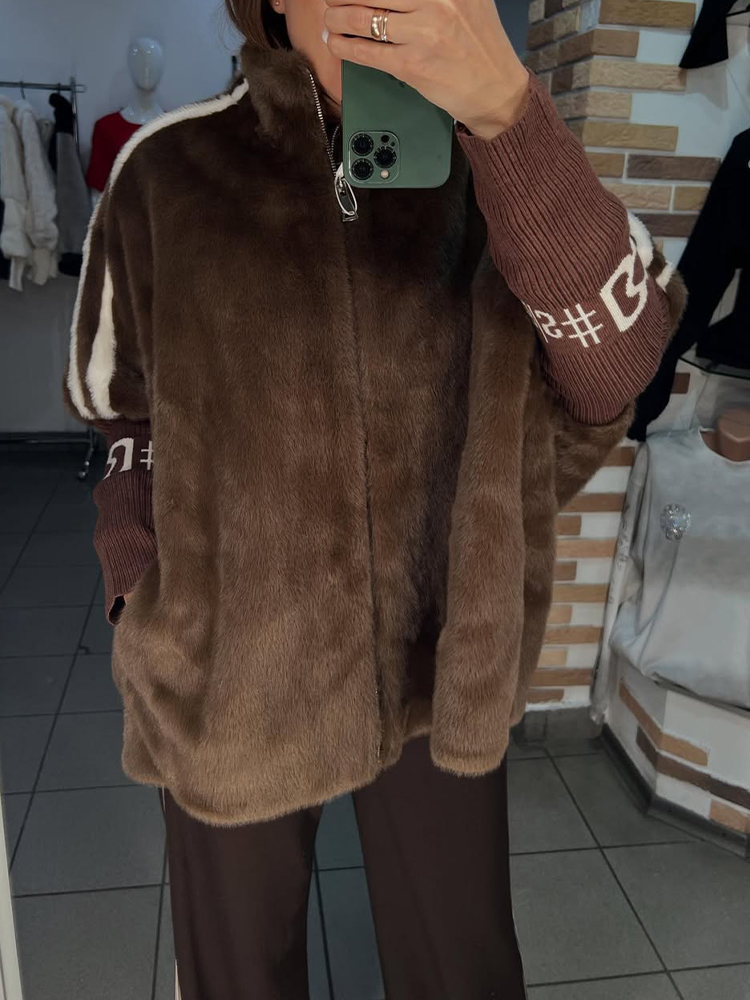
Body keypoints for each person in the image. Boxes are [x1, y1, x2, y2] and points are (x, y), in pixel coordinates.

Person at [64, 0, 685, 995]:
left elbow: (619, 369)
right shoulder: (167, 173)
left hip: (444, 653)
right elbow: (122, 407)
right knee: (235, 976)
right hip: (226, 670)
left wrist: (508, 116)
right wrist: (140, 588)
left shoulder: (503, 166)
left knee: (462, 969)